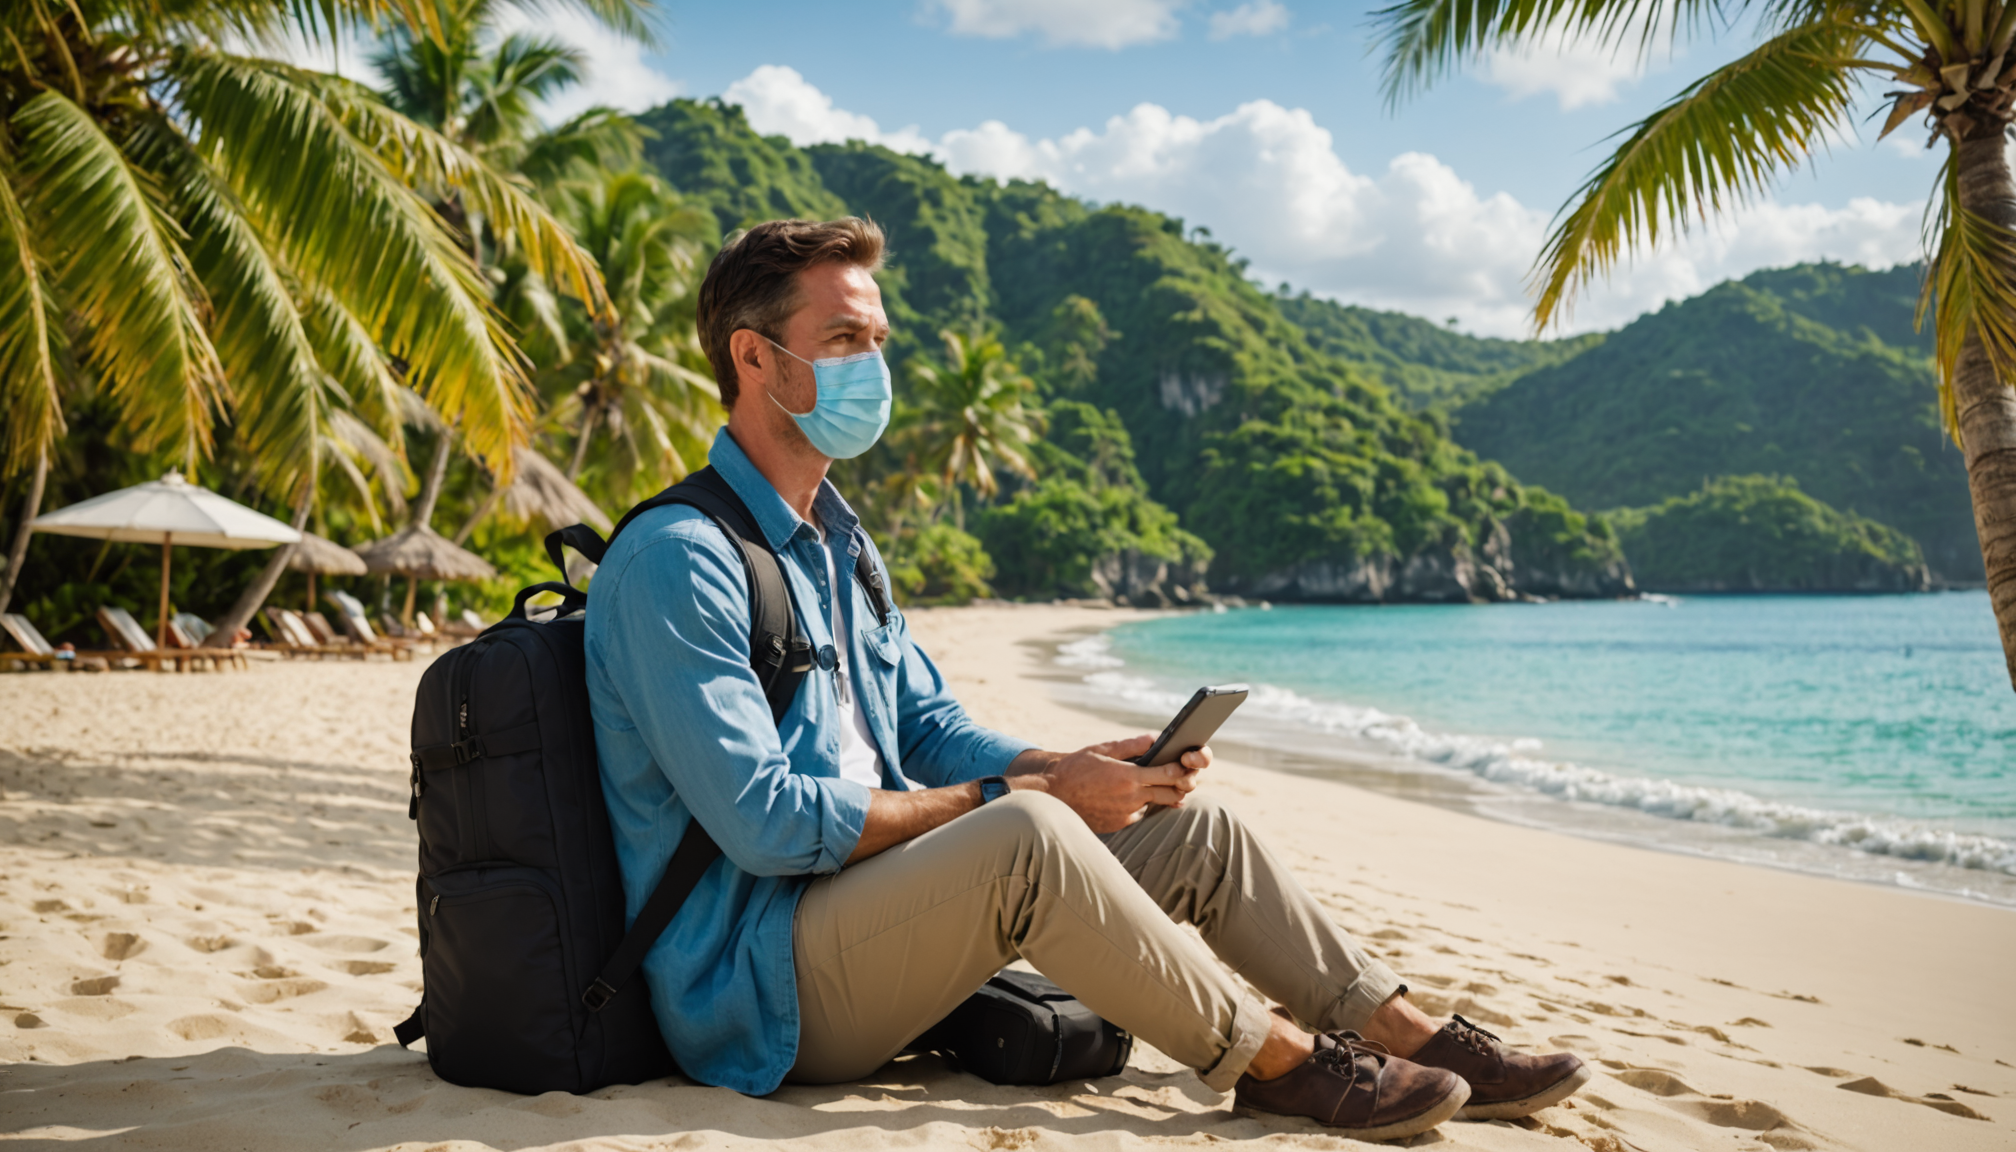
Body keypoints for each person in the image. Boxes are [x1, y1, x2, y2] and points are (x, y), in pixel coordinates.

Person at [584, 217, 1589, 1140]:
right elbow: (764, 822)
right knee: (1029, 831)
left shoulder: (839, 546)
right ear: (755, 357)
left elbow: (925, 727)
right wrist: (1023, 795)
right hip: (760, 987)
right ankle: (1274, 1061)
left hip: (876, 920)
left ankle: (1402, 1028)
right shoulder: (682, 556)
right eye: (845, 341)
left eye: (879, 342)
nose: (875, 365)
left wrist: (1064, 765)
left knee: (1192, 831)